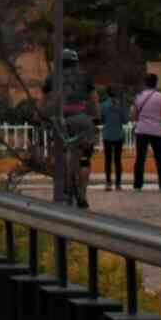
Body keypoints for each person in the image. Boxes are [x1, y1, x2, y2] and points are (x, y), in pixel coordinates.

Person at [59, 57, 97, 208]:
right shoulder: (86, 77)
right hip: (83, 119)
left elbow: (46, 100)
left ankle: (68, 186)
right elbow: (94, 99)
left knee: (68, 150)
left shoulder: (55, 78)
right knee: (85, 158)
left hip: (65, 120)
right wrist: (96, 117)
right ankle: (82, 195)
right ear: (76, 63)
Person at [130, 74, 161, 190]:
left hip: (142, 130)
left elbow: (133, 115)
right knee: (160, 159)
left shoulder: (139, 96)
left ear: (145, 83)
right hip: (157, 131)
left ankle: (137, 184)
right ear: (156, 83)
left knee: (140, 158)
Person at [99, 83, 128, 192]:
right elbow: (125, 120)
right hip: (118, 135)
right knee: (117, 160)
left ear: (107, 93)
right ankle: (118, 183)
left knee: (107, 160)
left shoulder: (103, 105)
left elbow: (101, 119)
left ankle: (108, 183)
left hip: (107, 135)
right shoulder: (120, 105)